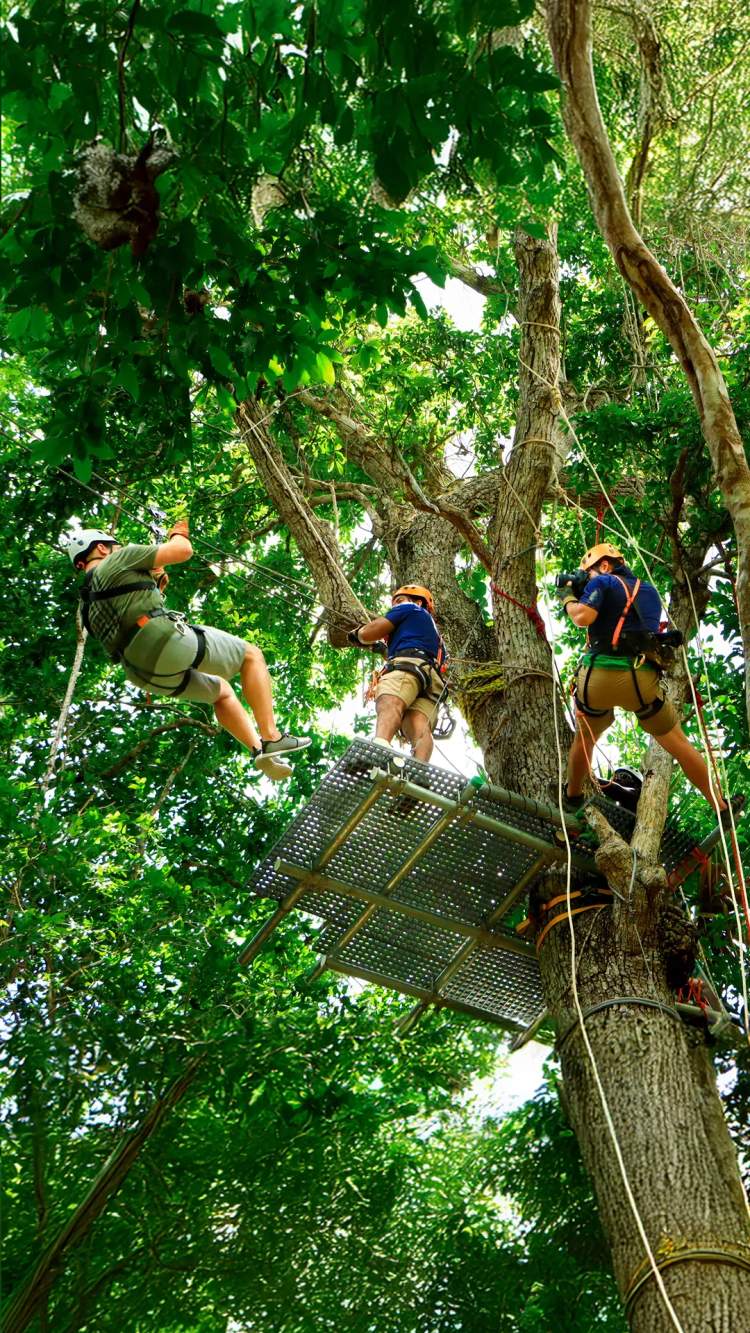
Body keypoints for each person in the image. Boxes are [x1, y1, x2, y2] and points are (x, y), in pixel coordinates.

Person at [61, 522, 310, 780]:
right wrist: (179, 532)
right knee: (251, 656)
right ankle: (272, 736)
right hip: (162, 639)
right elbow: (183, 551)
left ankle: (259, 751)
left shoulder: (86, 606)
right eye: (115, 545)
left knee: (222, 693)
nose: (119, 548)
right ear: (101, 548)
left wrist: (154, 583)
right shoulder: (119, 558)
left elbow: (128, 610)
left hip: (141, 671)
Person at [556, 542, 737, 826]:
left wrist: (568, 596)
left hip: (599, 675)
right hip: (641, 678)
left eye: (588, 572)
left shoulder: (602, 580)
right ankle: (719, 804)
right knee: (677, 741)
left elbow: (583, 617)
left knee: (586, 737)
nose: (588, 578)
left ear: (604, 565)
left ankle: (572, 797)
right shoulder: (650, 591)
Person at [347, 584, 446, 763]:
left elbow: (371, 632)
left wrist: (359, 633)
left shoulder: (409, 608)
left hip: (409, 667)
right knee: (418, 723)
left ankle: (379, 748)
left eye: (399, 600)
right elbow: (415, 648)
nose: (396, 606)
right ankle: (420, 769)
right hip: (431, 680)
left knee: (390, 700)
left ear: (418, 602)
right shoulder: (436, 638)